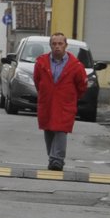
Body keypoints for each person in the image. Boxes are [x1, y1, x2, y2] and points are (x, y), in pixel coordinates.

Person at [33, 32, 89, 171]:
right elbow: (37, 81)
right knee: (49, 129)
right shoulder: (41, 63)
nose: (57, 46)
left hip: (65, 103)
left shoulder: (76, 66)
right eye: (54, 44)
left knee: (61, 130)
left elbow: (82, 86)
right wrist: (45, 93)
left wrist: (72, 97)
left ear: (66, 45)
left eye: (60, 44)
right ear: (50, 45)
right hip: (47, 101)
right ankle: (52, 158)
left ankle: (57, 160)